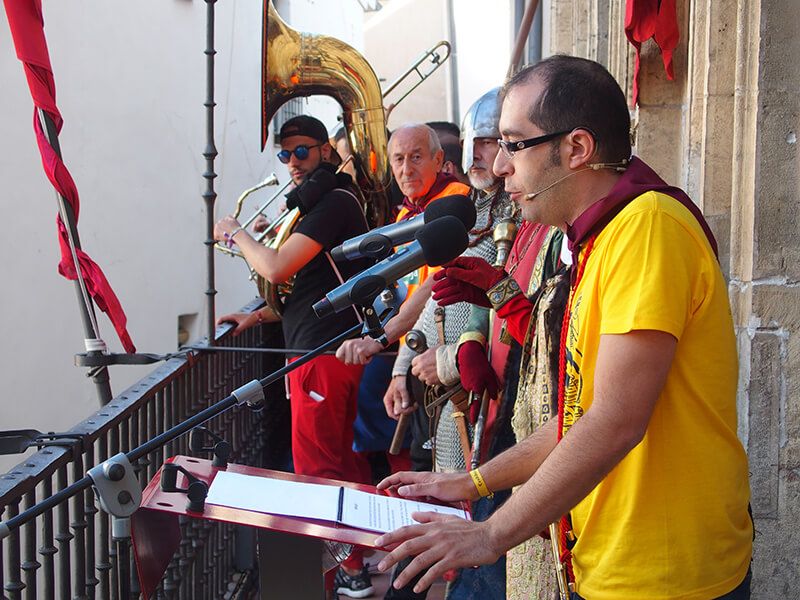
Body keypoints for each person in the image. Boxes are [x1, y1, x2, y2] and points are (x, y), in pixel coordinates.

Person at [374, 56, 753, 600]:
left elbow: (615, 422)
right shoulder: (596, 238)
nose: (500, 166)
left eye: (513, 144)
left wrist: (490, 534)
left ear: (576, 149)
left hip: (667, 574)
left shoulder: (646, 229)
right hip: (614, 564)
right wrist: (472, 483)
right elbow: (576, 415)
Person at [214, 115, 375, 598]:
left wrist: (239, 235)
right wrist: (256, 317)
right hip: (322, 348)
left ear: (325, 151)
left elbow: (277, 265)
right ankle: (360, 553)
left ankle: (349, 571)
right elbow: (302, 286)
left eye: (302, 151)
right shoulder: (325, 203)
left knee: (317, 470)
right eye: (285, 155)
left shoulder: (334, 202)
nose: (292, 163)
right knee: (341, 463)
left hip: (321, 354)